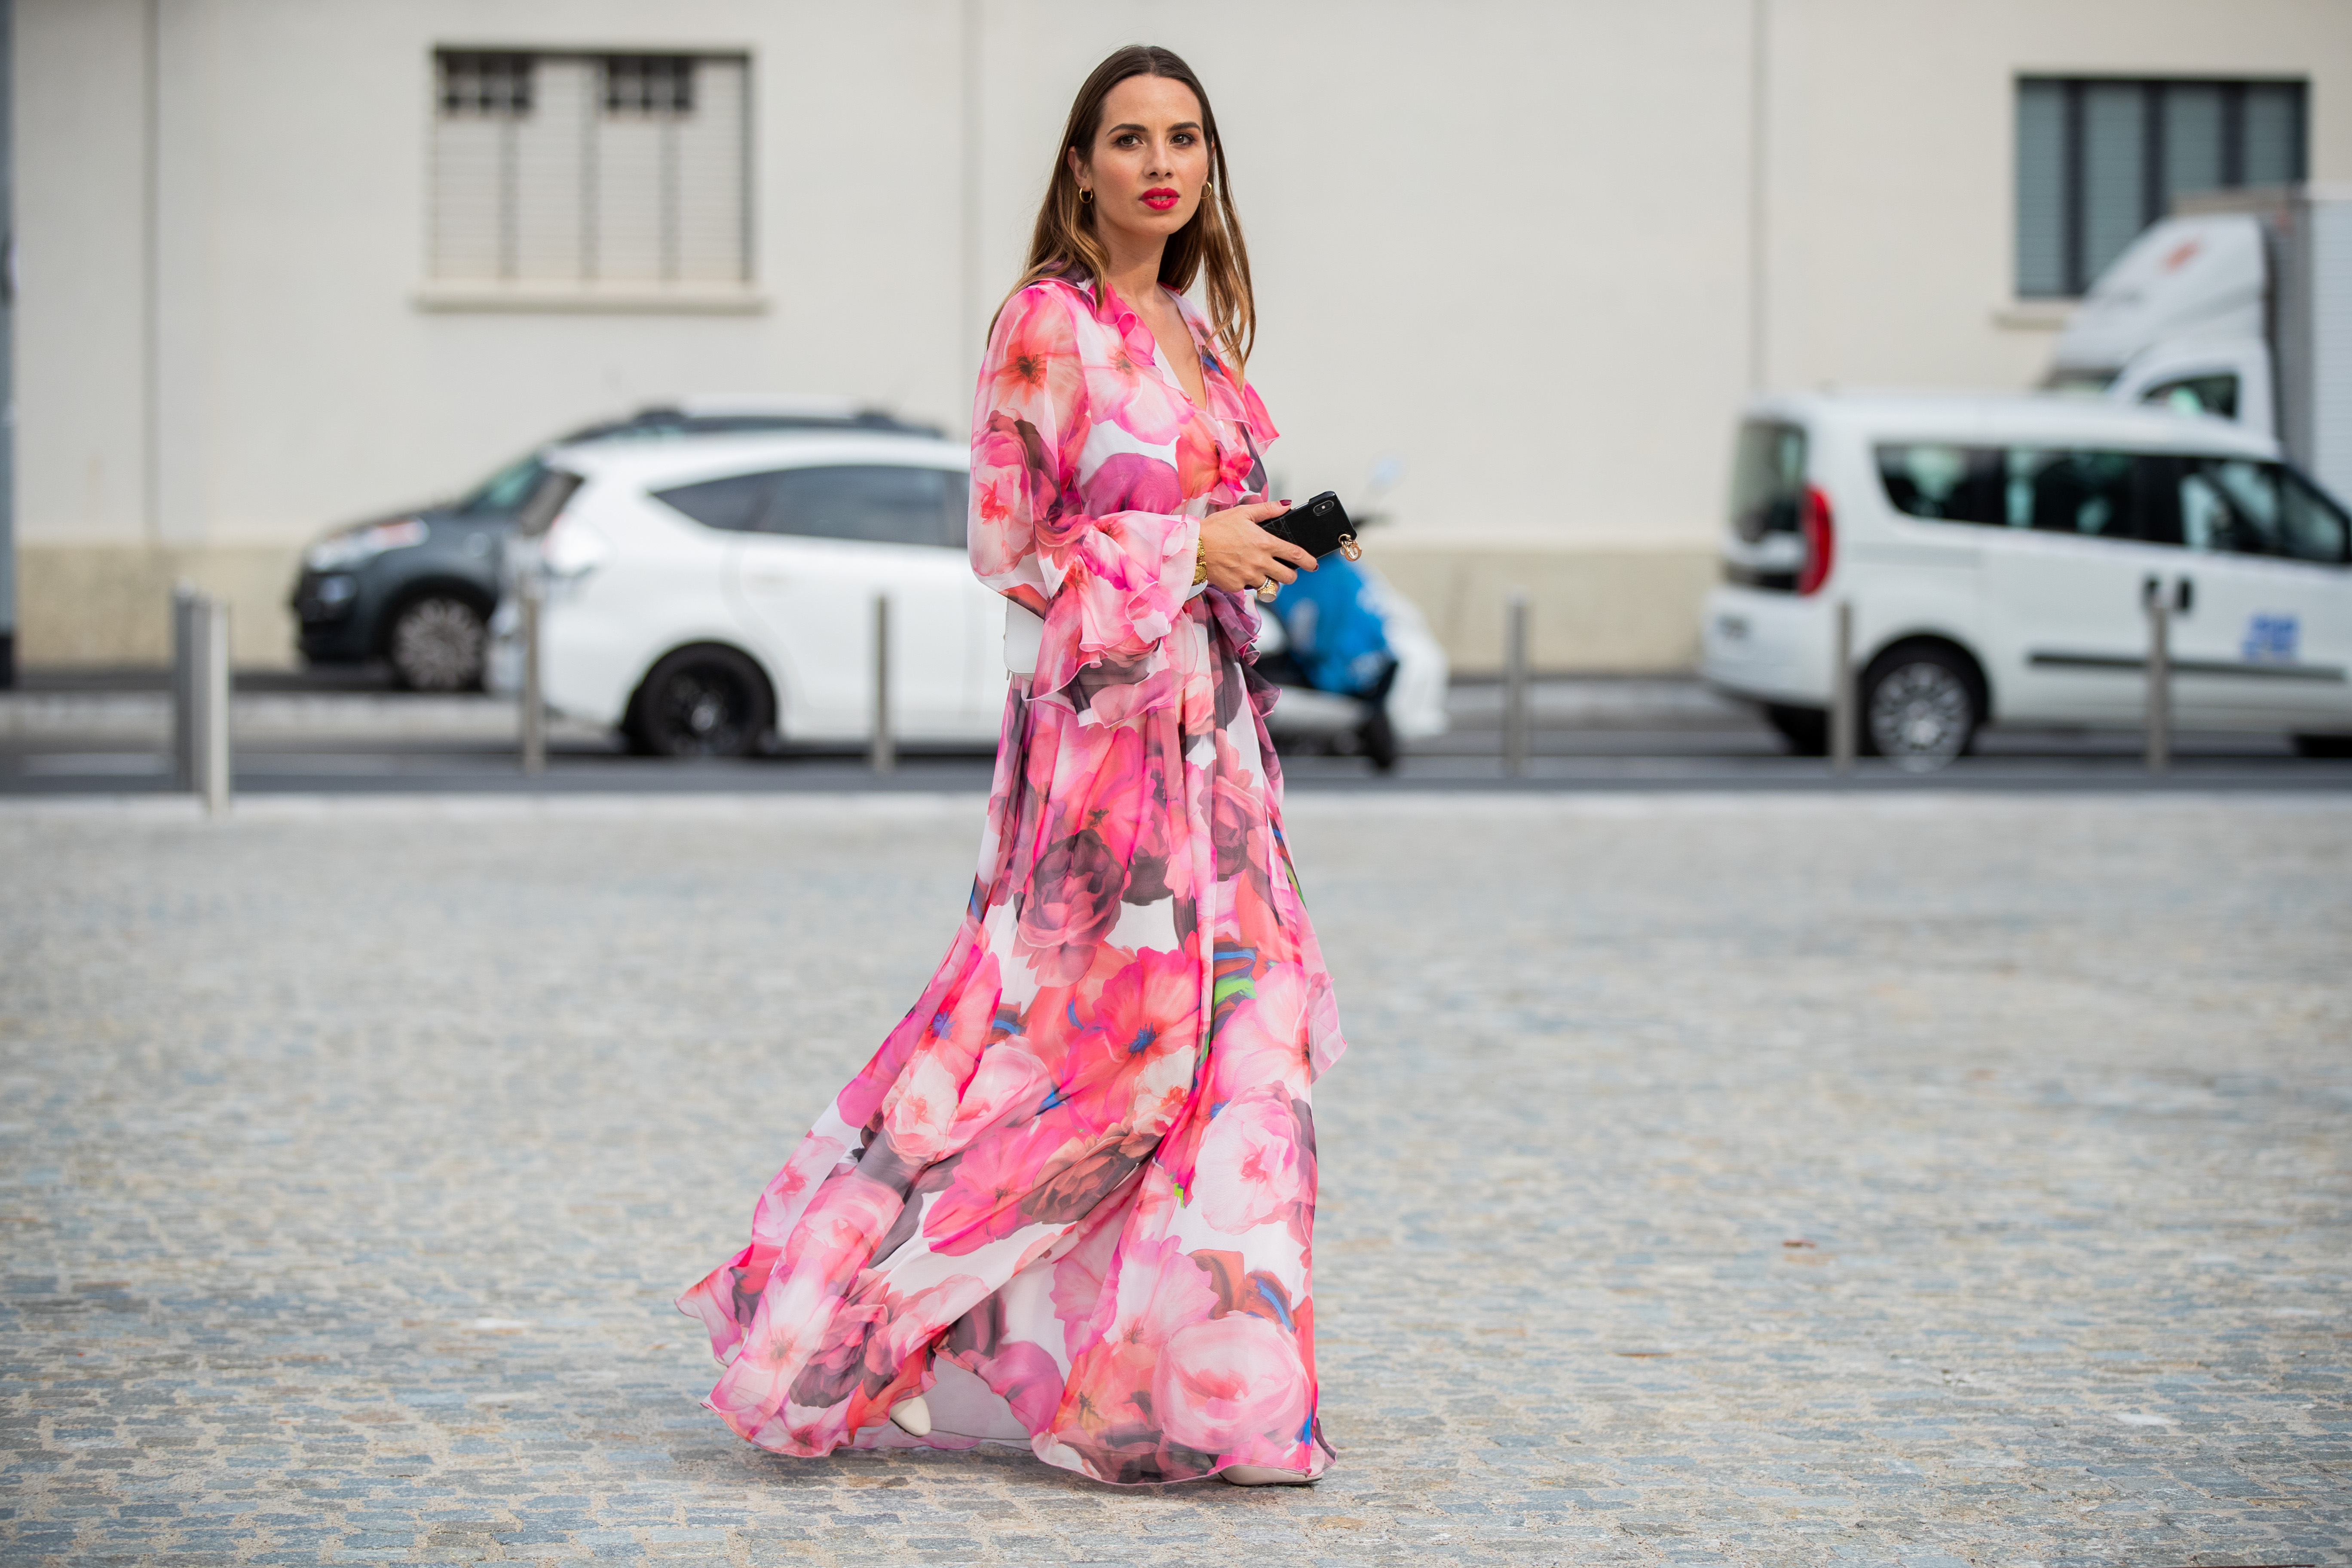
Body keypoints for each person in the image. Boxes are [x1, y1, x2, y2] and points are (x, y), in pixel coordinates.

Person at [678, 43, 1347, 1489]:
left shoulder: (1195, 331)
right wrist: (1189, 545)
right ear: (1081, 167)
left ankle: (1197, 1397)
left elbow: (1194, 528)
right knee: (1071, 1058)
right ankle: (839, 1322)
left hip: (1216, 743)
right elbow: (1008, 548)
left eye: (1185, 139)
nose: (1160, 164)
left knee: (1245, 1041)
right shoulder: (1048, 322)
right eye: (1131, 139)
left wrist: (1257, 543)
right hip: (1102, 759)